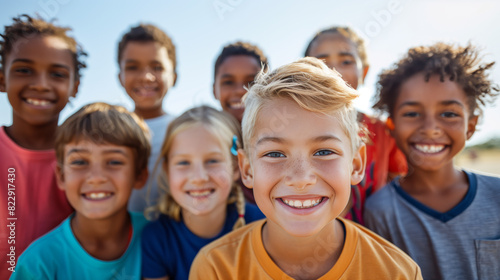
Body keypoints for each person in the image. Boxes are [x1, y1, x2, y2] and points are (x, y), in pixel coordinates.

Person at [189, 57, 422, 280]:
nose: (301, 179)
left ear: (356, 165)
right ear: (247, 170)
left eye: (323, 152)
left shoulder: (397, 272)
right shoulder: (216, 268)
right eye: (275, 154)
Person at [364, 42, 500, 280]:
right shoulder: (380, 211)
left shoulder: (497, 195)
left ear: (470, 126)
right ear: (392, 126)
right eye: (412, 114)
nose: (430, 129)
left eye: (448, 114)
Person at [10, 102, 151, 279]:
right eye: (79, 162)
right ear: (61, 176)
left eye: (114, 162)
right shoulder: (38, 263)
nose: (96, 177)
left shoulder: (161, 238)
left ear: (139, 175)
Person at [0, 14, 85, 278]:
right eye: (24, 70)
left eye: (57, 74)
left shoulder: (85, 160)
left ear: (75, 87)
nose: (40, 84)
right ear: (2, 78)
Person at [141, 105, 264, 280]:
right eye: (183, 163)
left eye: (213, 160)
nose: (198, 177)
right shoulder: (157, 239)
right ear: (167, 170)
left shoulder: (262, 226)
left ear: (237, 166)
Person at [304, 26, 407, 224]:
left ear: (364, 71)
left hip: (372, 240)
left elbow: (398, 183)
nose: (333, 71)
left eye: (346, 61)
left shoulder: (382, 131)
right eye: (321, 62)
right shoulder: (294, 129)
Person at [117, 23, 177, 212]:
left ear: (174, 76)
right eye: (133, 67)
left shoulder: (182, 130)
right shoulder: (110, 131)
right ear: (120, 76)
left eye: (157, 67)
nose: (146, 76)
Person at [213, 41, 269, 204]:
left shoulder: (281, 139)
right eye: (228, 82)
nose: (240, 90)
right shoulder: (203, 142)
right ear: (213, 89)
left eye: (251, 82)